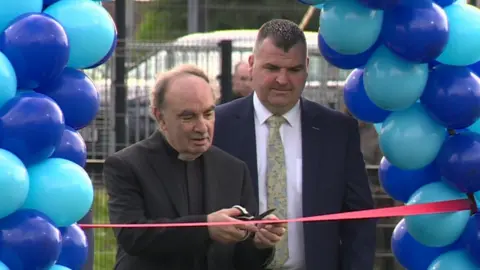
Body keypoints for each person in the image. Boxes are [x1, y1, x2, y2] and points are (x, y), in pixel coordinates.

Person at [213, 19, 376, 270]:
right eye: (272, 68)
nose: (282, 79)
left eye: (294, 70)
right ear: (252, 65)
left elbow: (359, 220)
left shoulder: (337, 131)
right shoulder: (217, 126)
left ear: (307, 68)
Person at [103, 64, 287, 270]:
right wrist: (207, 228)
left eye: (208, 114)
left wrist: (259, 242)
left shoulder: (234, 170)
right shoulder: (126, 165)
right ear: (160, 117)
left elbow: (243, 260)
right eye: (188, 117)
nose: (202, 127)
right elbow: (133, 236)